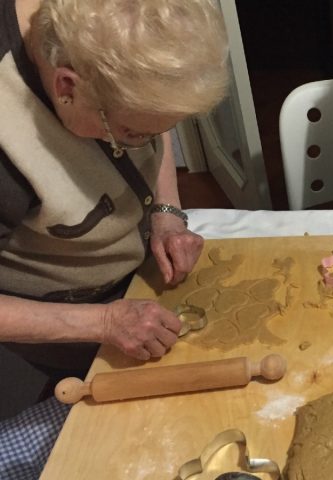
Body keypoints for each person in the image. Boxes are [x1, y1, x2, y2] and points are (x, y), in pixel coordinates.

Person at [0, 0, 229, 384]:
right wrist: (103, 321)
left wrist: (167, 213)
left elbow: (149, 109)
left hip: (129, 287)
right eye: (134, 134)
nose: (147, 144)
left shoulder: (125, 22)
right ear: (66, 87)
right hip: (37, 334)